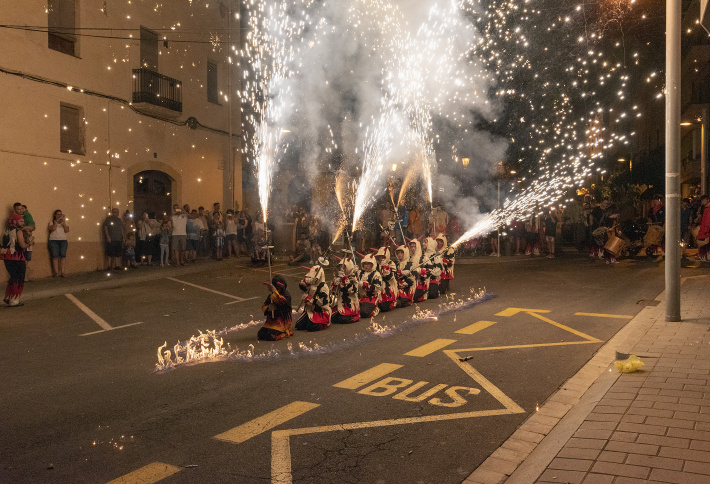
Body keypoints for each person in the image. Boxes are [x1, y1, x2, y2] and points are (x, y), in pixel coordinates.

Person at [295, 264, 332, 332]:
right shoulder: (312, 284)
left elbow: (321, 302)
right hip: (310, 310)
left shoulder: (323, 287)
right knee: (298, 326)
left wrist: (308, 299)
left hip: (320, 311)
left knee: (311, 327)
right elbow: (304, 289)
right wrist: (302, 286)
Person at [257, 275, 293, 341]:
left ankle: (285, 333)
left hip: (282, 321)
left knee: (270, 336)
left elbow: (281, 302)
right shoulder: (271, 296)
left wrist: (274, 292)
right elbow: (264, 306)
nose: (277, 289)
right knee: (260, 334)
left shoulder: (286, 295)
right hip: (271, 321)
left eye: (278, 288)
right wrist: (268, 308)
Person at [3, 214, 28, 306]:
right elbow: (22, 245)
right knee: (19, 278)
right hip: (17, 257)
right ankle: (14, 300)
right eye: (21, 221)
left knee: (13, 278)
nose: (23, 222)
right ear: (14, 221)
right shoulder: (18, 231)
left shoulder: (5, 231)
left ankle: (8, 297)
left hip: (7, 257)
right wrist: (28, 244)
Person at [330, 255, 360, 324]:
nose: (342, 269)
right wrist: (335, 284)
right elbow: (332, 291)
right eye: (340, 267)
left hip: (350, 304)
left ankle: (353, 317)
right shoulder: (338, 277)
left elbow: (352, 290)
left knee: (341, 319)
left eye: (344, 267)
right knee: (331, 316)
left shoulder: (353, 278)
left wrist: (344, 280)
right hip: (340, 303)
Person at [590, 198, 619, 264]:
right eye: (605, 203)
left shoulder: (608, 211)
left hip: (608, 229)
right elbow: (593, 217)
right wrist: (592, 225)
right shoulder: (597, 210)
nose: (606, 205)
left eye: (607, 203)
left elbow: (613, 221)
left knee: (608, 243)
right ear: (601, 202)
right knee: (601, 243)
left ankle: (609, 259)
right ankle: (603, 257)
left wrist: (612, 227)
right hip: (600, 228)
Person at [357, 253, 382, 318]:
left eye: (368, 264)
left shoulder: (376, 274)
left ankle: (375, 309)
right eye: (365, 264)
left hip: (371, 298)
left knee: (364, 312)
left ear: (372, 264)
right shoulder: (360, 273)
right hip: (360, 297)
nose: (366, 266)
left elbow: (377, 287)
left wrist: (366, 285)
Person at [375, 247, 397, 313]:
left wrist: (385, 267)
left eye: (383, 256)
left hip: (388, 288)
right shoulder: (376, 265)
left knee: (385, 307)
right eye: (380, 256)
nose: (381, 258)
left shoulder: (391, 264)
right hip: (379, 288)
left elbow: (390, 277)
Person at [48, 209, 69, 277]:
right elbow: (53, 229)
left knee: (63, 255)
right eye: (58, 214)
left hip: (63, 240)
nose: (60, 216)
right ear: (55, 215)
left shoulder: (63, 223)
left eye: (61, 214)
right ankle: (56, 272)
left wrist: (64, 223)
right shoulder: (51, 222)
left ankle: (62, 272)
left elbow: (66, 230)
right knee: (55, 256)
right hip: (54, 240)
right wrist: (56, 222)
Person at [19, 204, 36, 278]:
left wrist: (27, 228)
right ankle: (24, 276)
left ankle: (27, 276)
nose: (21, 210)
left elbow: (33, 227)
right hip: (23, 244)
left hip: (28, 245)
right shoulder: (20, 217)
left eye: (22, 208)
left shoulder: (26, 215)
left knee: (27, 261)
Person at [696, 195, 710, 261]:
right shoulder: (704, 208)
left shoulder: (708, 209)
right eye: (702, 201)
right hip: (704, 228)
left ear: (708, 200)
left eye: (704, 200)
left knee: (705, 244)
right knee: (704, 244)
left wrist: (706, 230)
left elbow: (708, 220)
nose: (703, 202)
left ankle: (705, 257)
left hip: (706, 229)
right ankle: (705, 257)